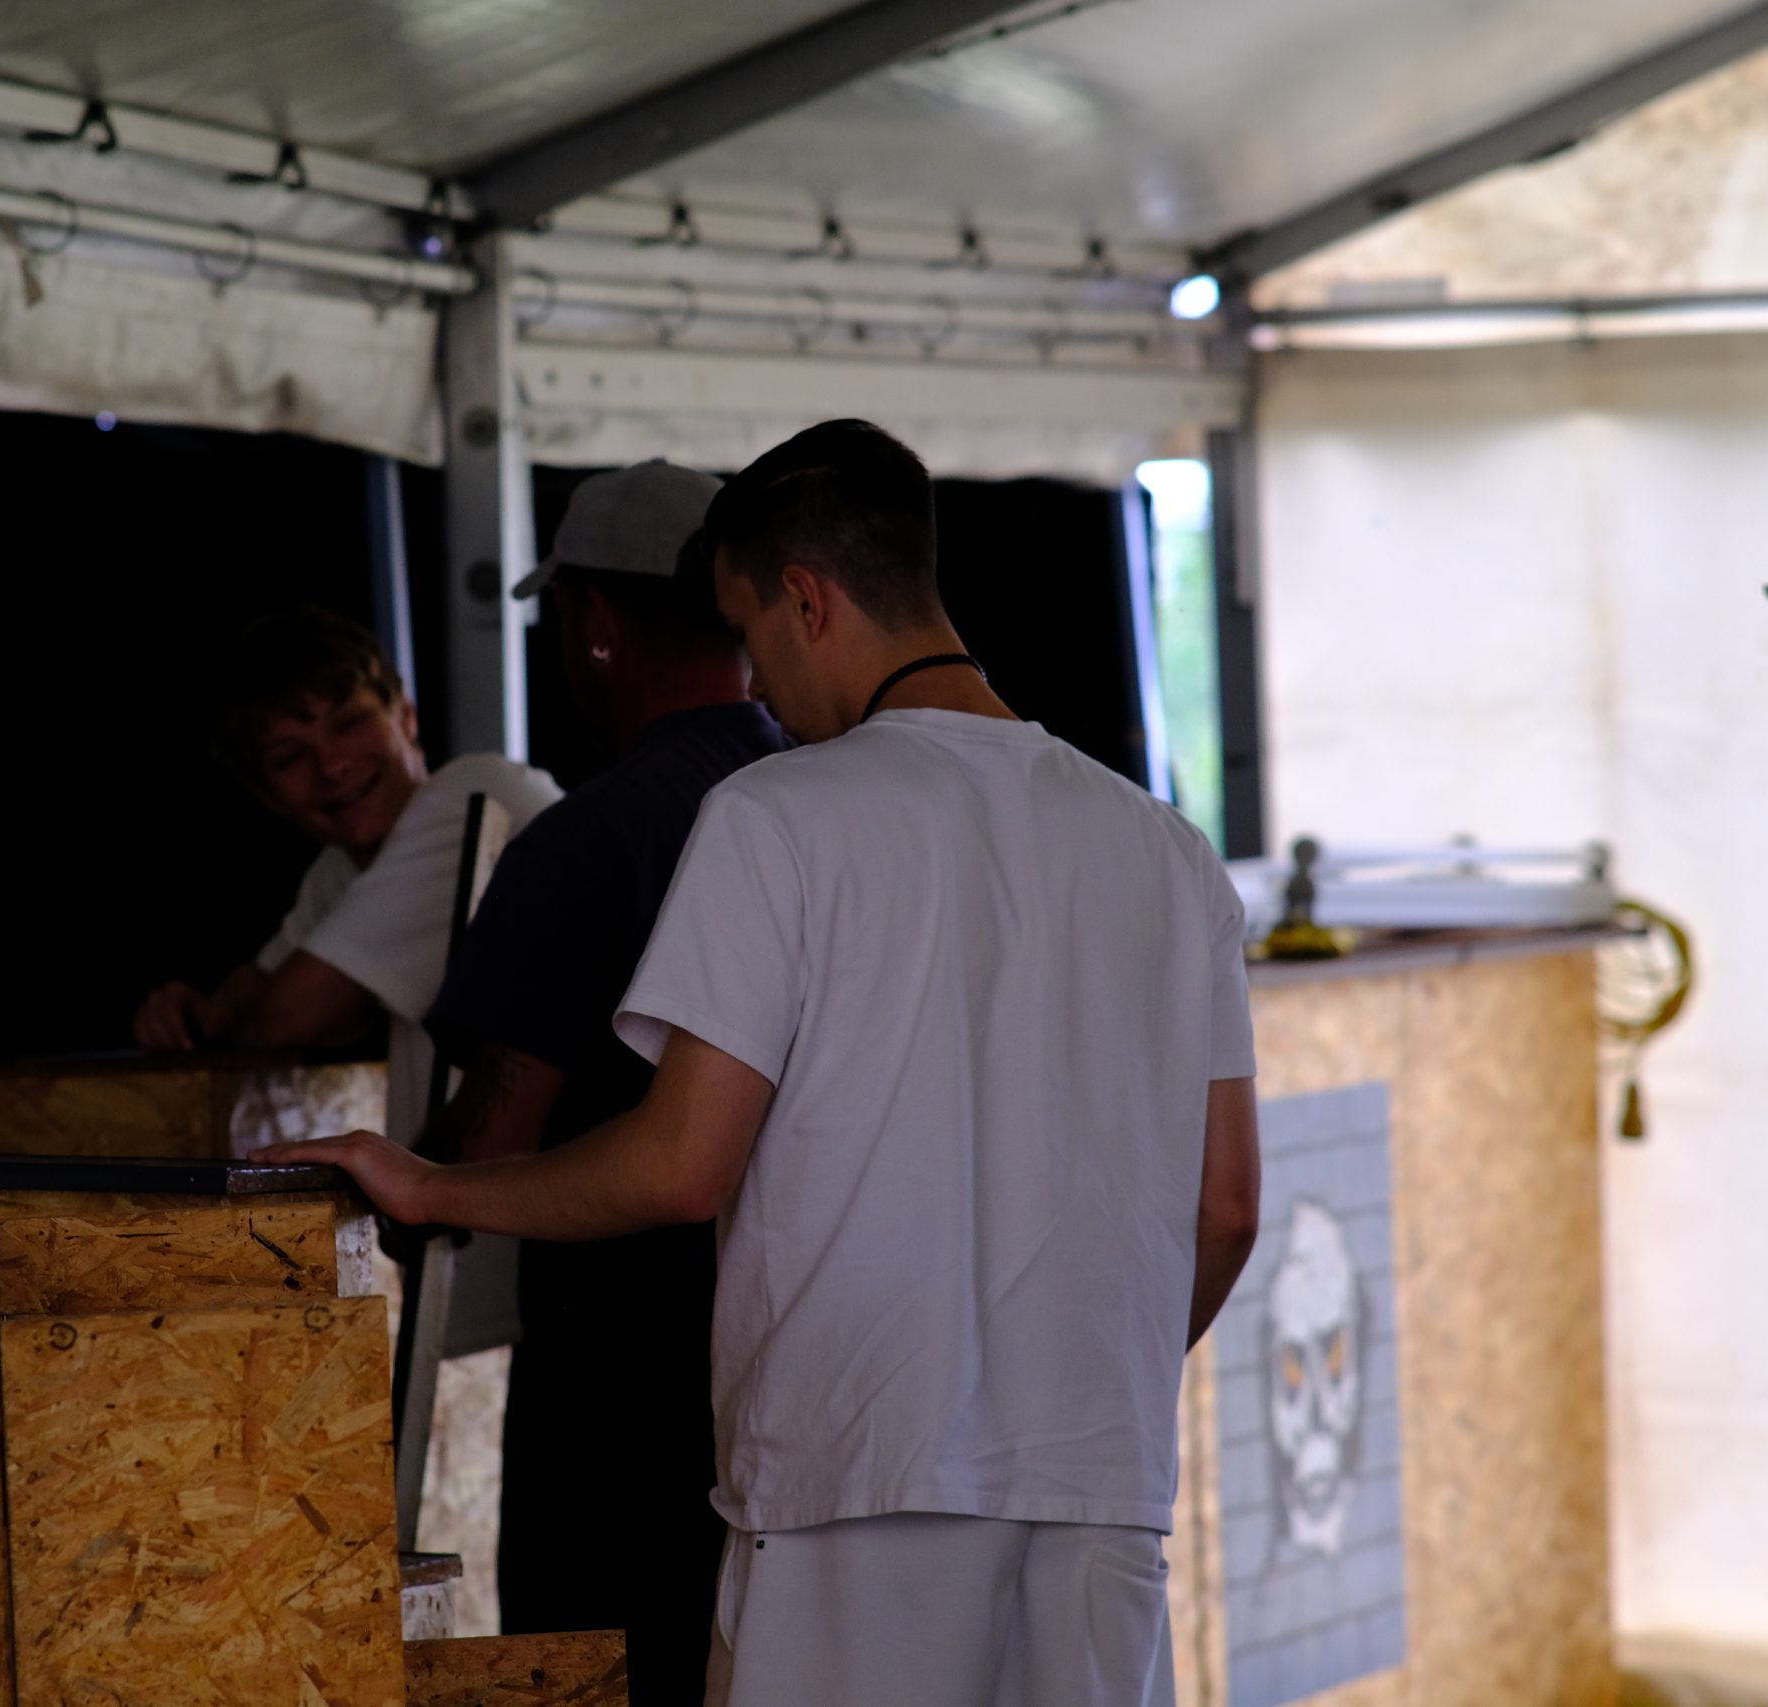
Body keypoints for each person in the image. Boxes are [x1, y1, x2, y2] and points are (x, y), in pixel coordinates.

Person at [271, 420, 1263, 1706]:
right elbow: (1225, 1209)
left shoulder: (774, 816)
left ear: (806, 598)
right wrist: (1078, 1385)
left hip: (849, 1486)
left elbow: (681, 1166)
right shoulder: (1169, 852)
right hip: (1097, 1488)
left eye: (750, 634)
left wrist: (432, 1185)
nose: (756, 685)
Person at [418, 461, 786, 1702]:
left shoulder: (586, 840)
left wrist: (396, 1183)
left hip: (619, 1402)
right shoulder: (821, 811)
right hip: (805, 1384)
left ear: (592, 624)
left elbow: (487, 1148)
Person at [132, 604, 561, 1155]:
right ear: (266, 796)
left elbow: (288, 1017)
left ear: (406, 716)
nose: (331, 765)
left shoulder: (475, 796)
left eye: (350, 723)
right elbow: (255, 988)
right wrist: (195, 1013)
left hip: (552, 1187)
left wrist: (261, 1011)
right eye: (290, 756)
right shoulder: (341, 868)